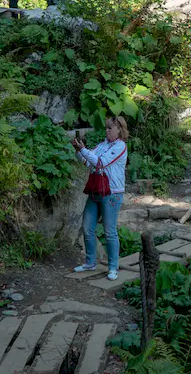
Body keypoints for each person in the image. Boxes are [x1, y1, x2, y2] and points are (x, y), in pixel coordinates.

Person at [72, 116, 129, 281]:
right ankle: (90, 262)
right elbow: (86, 161)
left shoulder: (120, 146)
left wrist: (84, 150)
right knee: (87, 226)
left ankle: (113, 267)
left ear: (119, 130)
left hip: (112, 193)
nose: (107, 130)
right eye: (106, 127)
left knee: (109, 231)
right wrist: (78, 150)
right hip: (96, 191)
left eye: (110, 128)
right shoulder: (103, 145)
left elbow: (100, 163)